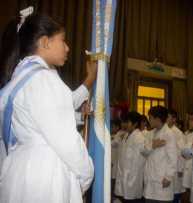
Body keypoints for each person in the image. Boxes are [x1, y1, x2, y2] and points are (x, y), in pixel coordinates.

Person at [0, 12, 95, 203]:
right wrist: (86, 176)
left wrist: (75, 115)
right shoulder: (45, 79)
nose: (67, 48)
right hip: (47, 177)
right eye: (63, 41)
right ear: (45, 42)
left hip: (20, 173)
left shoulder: (18, 79)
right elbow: (67, 142)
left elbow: (41, 117)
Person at [143, 106, 178, 203]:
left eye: (150, 118)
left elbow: (173, 158)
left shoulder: (169, 134)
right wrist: (152, 145)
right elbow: (143, 151)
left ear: (157, 119)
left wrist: (168, 177)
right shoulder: (150, 133)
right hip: (150, 180)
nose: (148, 120)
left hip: (162, 180)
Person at [115, 111, 146, 203]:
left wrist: (131, 178)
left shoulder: (139, 137)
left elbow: (139, 162)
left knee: (132, 199)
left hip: (132, 179)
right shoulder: (126, 136)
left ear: (135, 123)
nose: (125, 125)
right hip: (124, 176)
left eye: (128, 122)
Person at [167, 109, 186, 203]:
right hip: (165, 169)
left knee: (175, 193)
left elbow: (182, 152)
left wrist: (180, 169)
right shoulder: (164, 131)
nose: (165, 119)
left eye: (168, 117)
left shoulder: (178, 133)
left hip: (175, 169)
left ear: (174, 119)